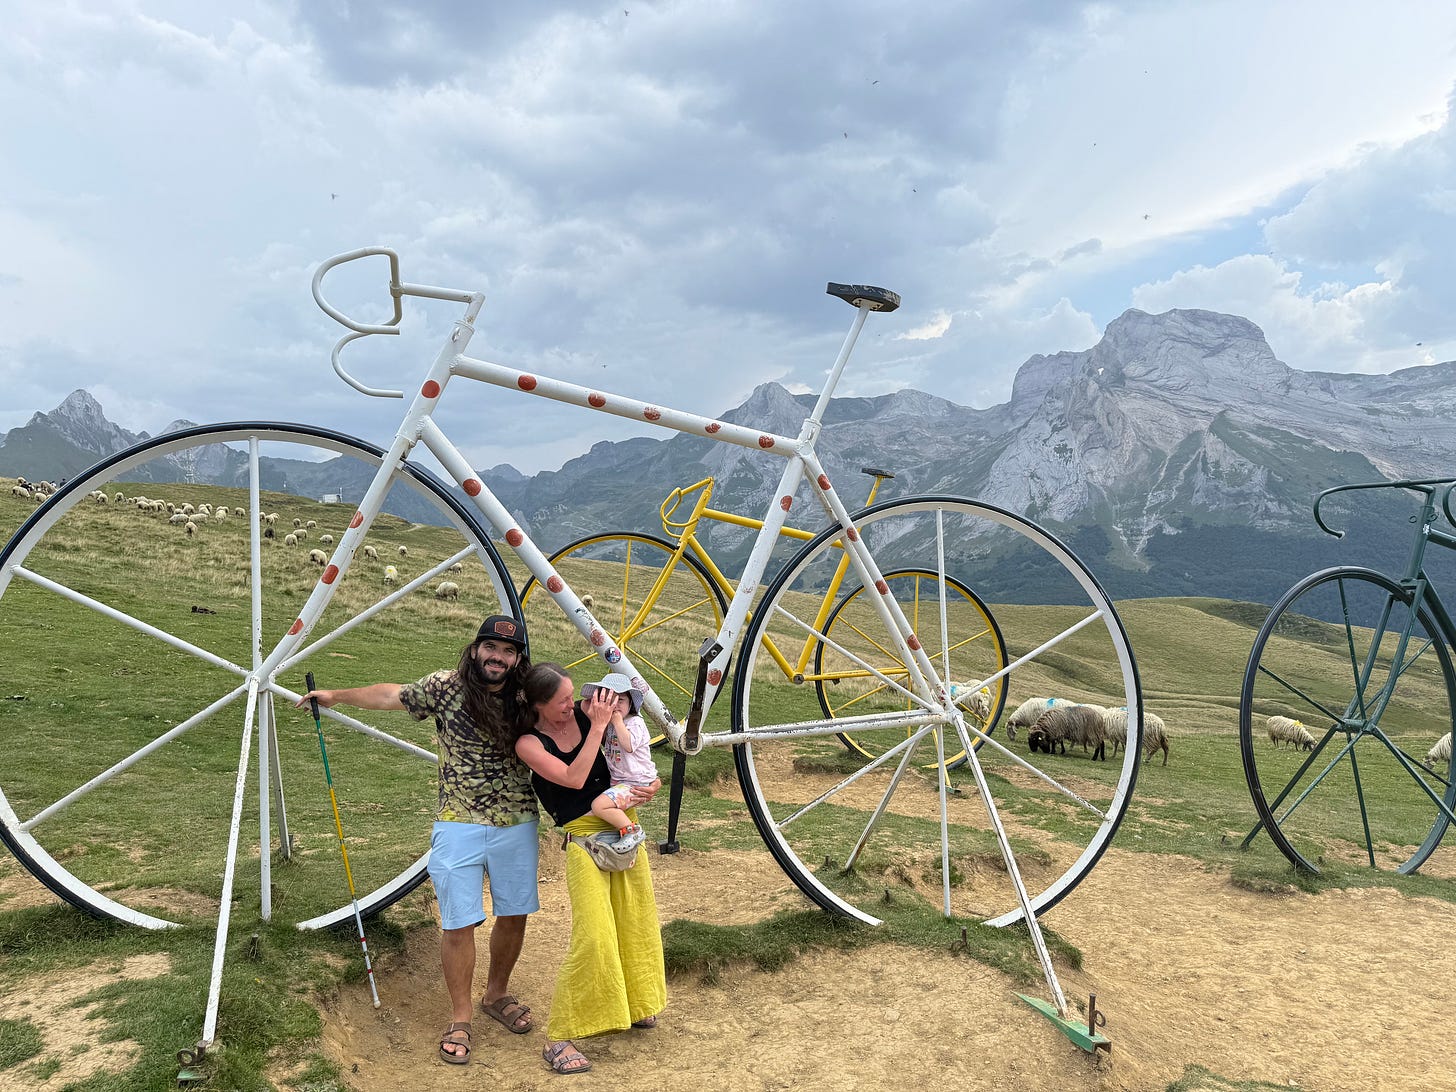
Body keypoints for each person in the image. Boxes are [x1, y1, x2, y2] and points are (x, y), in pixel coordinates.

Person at [296, 614, 539, 1066]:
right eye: (491, 648)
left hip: (517, 818)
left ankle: (496, 994)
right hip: (457, 820)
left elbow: (567, 718)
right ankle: (461, 1016)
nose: (498, 658)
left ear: (517, 659)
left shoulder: (529, 694)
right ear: (475, 650)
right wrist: (334, 696)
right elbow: (392, 694)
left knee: (514, 913)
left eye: (508, 652)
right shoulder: (446, 686)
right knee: (458, 920)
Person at [514, 663, 667, 1075]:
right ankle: (559, 1034)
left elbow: (629, 755)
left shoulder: (589, 715)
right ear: (539, 705)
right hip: (584, 842)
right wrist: (598, 727)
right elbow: (574, 777)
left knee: (634, 922)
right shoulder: (529, 743)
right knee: (594, 936)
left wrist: (647, 786)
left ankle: (635, 1004)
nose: (575, 704)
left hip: (622, 829)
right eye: (564, 700)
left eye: (573, 696)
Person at [582, 672, 662, 854]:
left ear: (631, 704)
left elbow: (628, 746)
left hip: (635, 782)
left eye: (621, 700)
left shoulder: (634, 722)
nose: (616, 705)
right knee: (595, 810)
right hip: (620, 780)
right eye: (610, 698)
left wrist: (617, 721)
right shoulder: (609, 723)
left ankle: (631, 830)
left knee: (599, 806)